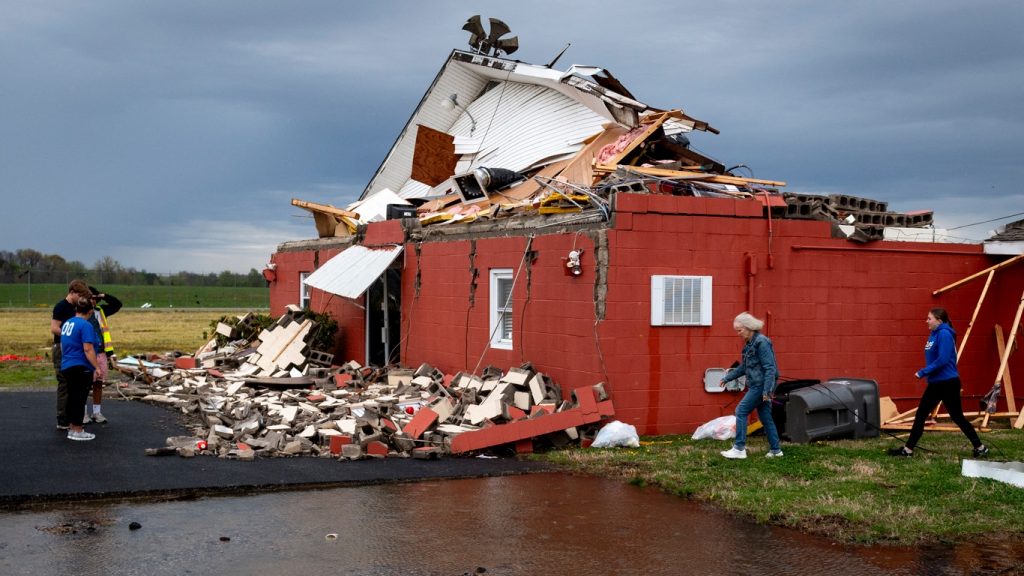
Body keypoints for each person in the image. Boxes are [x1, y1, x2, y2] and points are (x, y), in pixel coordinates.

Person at [889, 308, 989, 458]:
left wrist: (923, 372)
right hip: (938, 382)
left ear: (939, 320)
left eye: (929, 318)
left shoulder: (944, 334)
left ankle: (908, 450)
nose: (926, 321)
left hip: (946, 382)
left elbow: (942, 360)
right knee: (933, 415)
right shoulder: (934, 334)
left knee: (945, 416)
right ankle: (980, 447)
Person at [720, 312, 783, 459]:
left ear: (748, 328)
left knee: (740, 411)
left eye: (739, 330)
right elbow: (744, 367)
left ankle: (739, 449)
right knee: (766, 418)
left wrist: (766, 391)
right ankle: (776, 450)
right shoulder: (749, 344)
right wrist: (728, 378)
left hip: (761, 386)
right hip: (757, 385)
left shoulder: (762, 342)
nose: (738, 333)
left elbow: (770, 368)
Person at [60, 297, 103, 441]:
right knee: (80, 398)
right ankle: (78, 429)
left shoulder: (68, 323)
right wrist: (96, 367)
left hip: (67, 364)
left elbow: (62, 344)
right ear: (90, 311)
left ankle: (72, 427)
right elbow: (88, 348)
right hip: (80, 366)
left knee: (72, 397)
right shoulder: (85, 325)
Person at [50, 279, 91, 430]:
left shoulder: (76, 308)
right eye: (79, 295)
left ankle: (73, 418)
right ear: (72, 292)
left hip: (74, 349)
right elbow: (54, 328)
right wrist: (70, 336)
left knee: (74, 384)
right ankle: (62, 418)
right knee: (64, 383)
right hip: (61, 347)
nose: (81, 299)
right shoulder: (61, 306)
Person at [83, 286, 122, 424]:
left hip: (100, 353)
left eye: (94, 298)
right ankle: (83, 414)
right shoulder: (78, 313)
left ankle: (97, 412)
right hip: (85, 353)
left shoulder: (101, 311)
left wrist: (103, 295)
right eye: (89, 298)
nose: (92, 301)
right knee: (84, 385)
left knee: (98, 383)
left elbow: (117, 304)